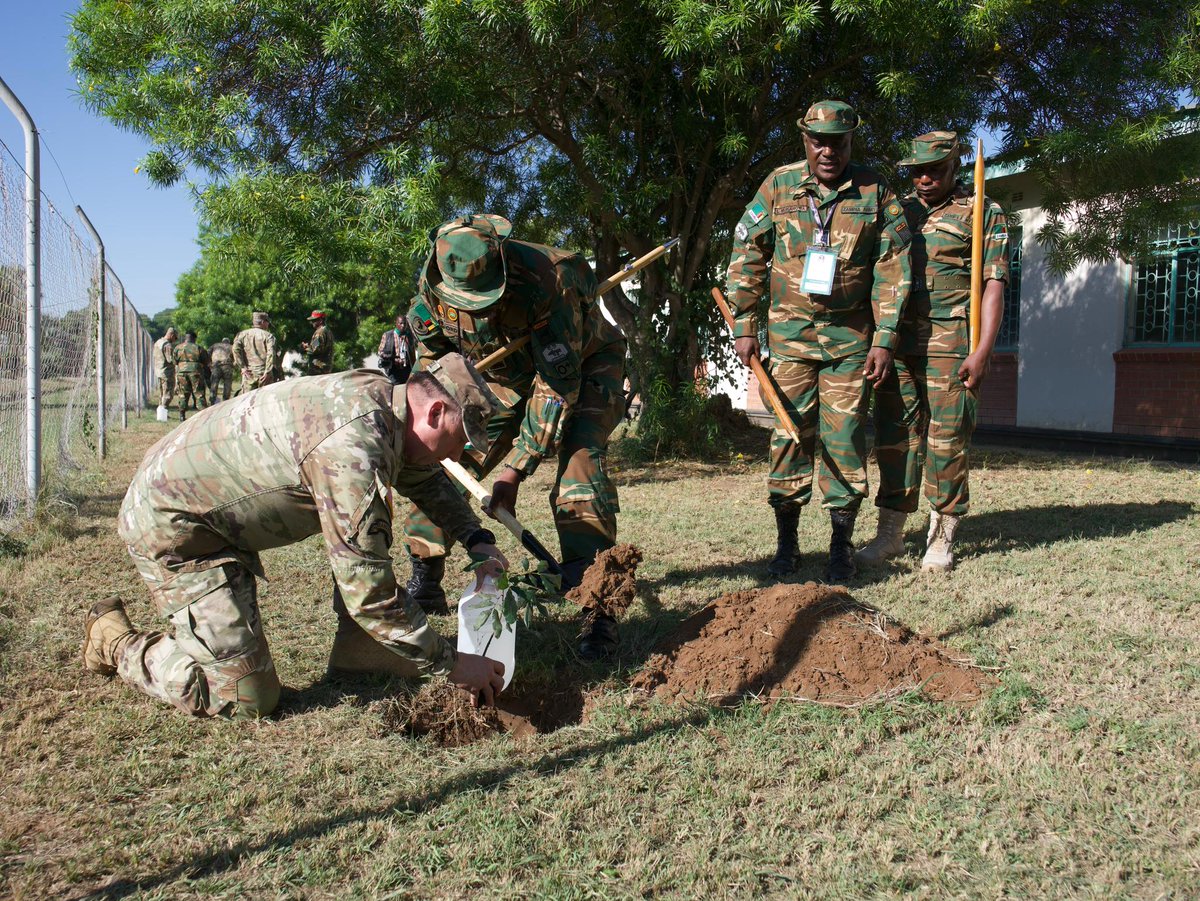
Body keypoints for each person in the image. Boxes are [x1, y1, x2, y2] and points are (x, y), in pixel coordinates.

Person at [81, 354, 510, 719]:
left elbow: (424, 476)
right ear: (435, 412)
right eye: (459, 441)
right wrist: (452, 665)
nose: (457, 455)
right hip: (178, 529)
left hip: (206, 503)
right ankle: (114, 641)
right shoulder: (353, 449)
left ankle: (360, 653)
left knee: (369, 538)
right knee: (245, 697)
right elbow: (369, 594)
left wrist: (477, 538)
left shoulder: (383, 401)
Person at [404, 214, 627, 658]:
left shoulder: (554, 279)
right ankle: (425, 577)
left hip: (583, 366)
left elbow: (557, 385)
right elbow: (432, 360)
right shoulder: (432, 286)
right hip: (502, 379)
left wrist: (514, 470)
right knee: (446, 464)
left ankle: (596, 604)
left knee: (580, 469)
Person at [725, 99, 912, 584]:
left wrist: (885, 337)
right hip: (790, 340)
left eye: (839, 142)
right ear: (804, 140)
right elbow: (748, 252)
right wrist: (745, 324)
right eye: (818, 141)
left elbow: (894, 266)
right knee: (788, 435)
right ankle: (787, 546)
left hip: (852, 343)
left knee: (845, 438)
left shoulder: (876, 191)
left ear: (851, 140)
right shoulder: (778, 186)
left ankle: (840, 548)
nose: (828, 151)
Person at [856, 131, 1009, 572]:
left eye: (934, 170)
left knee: (947, 441)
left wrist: (983, 351)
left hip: (951, 342)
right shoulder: (897, 213)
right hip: (898, 344)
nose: (924, 179)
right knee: (894, 439)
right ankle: (889, 536)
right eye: (917, 171)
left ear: (955, 165)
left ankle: (941, 537)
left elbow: (993, 286)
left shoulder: (982, 212)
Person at [233, 311, 281, 393]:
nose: (268, 325)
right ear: (262, 322)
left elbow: (235, 349)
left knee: (247, 401)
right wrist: (268, 371)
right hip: (264, 375)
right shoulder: (269, 336)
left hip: (248, 374)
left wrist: (243, 367)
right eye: (267, 322)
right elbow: (271, 354)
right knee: (264, 401)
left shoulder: (242, 335)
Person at [172, 331, 208, 422]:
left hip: (181, 372)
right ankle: (202, 415)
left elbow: (174, 361)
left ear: (186, 338)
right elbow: (206, 361)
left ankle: (182, 415)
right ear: (194, 338)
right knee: (198, 393)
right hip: (195, 372)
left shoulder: (177, 348)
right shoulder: (199, 348)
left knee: (183, 393)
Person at [378, 313, 415, 384]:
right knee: (397, 390)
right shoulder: (387, 335)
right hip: (393, 370)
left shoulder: (408, 335)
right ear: (396, 323)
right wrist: (393, 358)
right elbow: (380, 352)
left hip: (407, 369)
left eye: (404, 323)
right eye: (400, 323)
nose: (403, 326)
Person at [301, 310, 336, 375]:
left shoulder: (319, 333)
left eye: (314, 320)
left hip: (318, 368)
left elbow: (314, 349)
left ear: (320, 320)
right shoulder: (328, 331)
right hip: (326, 367)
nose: (312, 322)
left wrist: (305, 347)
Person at [152, 327, 177, 410]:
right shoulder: (167, 345)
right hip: (167, 372)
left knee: (162, 393)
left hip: (159, 371)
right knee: (168, 393)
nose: (175, 340)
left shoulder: (158, 342)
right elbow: (170, 359)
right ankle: (163, 410)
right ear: (171, 335)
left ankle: (161, 410)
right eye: (175, 337)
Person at [208, 337, 234, 404]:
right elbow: (236, 355)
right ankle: (225, 400)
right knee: (227, 384)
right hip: (227, 366)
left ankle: (212, 399)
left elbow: (207, 353)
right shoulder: (231, 347)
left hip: (216, 365)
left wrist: (210, 363)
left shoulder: (215, 345)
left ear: (222, 341)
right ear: (228, 342)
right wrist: (234, 364)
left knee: (214, 383)